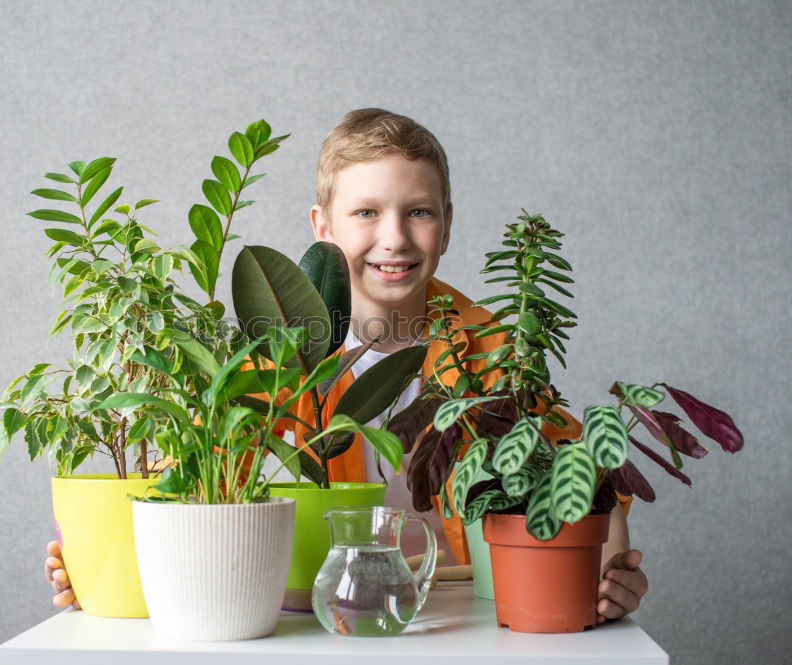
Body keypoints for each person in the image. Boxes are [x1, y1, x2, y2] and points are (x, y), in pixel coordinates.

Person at [46, 109, 649, 623]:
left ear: (448, 225)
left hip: (461, 615)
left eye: (419, 212)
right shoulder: (271, 360)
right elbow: (184, 488)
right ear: (322, 228)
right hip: (298, 623)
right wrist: (104, 569)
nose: (395, 238)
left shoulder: (492, 347)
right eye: (366, 213)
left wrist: (606, 583)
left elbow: (585, 486)